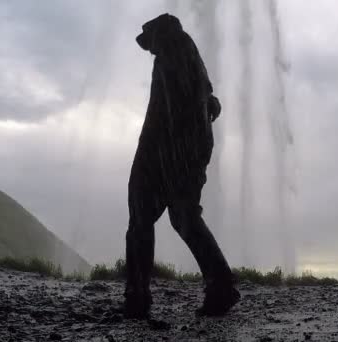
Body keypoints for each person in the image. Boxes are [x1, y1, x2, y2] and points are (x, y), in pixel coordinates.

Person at [124, 13, 239, 319]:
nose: (147, 48)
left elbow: (184, 109)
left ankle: (137, 296)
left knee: (144, 219)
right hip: (178, 152)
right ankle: (220, 287)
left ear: (159, 34)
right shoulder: (186, 54)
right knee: (181, 218)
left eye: (149, 41)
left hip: (167, 153)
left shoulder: (172, 51)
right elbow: (207, 102)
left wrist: (172, 160)